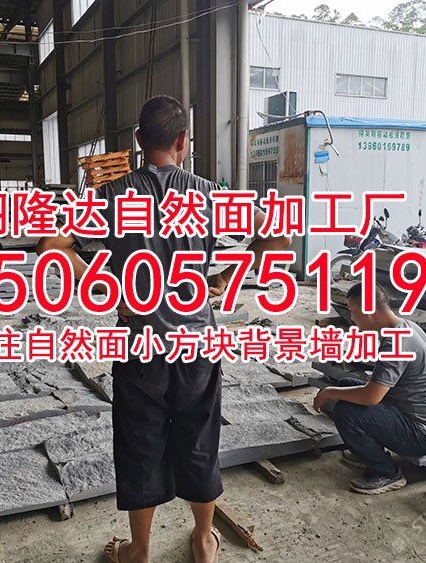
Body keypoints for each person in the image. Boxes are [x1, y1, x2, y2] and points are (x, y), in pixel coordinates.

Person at [38, 95, 290, 562]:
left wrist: (106, 286)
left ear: (138, 140)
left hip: (140, 345)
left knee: (140, 444)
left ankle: (139, 550)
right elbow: (276, 234)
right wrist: (224, 279)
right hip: (197, 344)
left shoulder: (111, 196)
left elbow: (52, 245)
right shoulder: (209, 194)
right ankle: (203, 540)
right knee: (199, 440)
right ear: (182, 141)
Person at [313, 283, 426, 495]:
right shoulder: (406, 326)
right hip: (408, 412)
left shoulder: (396, 342)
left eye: (353, 311)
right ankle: (368, 452)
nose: (352, 318)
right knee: (346, 385)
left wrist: (328, 392)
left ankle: (387, 472)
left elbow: (371, 397)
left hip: (421, 433)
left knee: (346, 411)